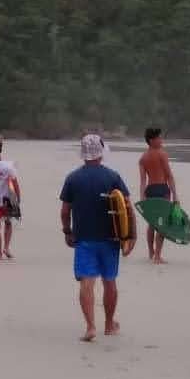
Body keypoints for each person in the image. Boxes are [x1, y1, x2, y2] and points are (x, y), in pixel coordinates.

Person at [59, 134, 136, 341]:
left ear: (83, 155)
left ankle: (91, 327)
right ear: (101, 154)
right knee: (109, 281)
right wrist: (131, 237)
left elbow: (65, 211)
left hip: (84, 239)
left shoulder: (73, 178)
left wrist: (67, 231)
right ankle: (109, 324)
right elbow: (127, 208)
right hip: (110, 240)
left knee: (87, 282)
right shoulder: (112, 177)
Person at [139, 126, 179, 264]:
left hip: (150, 191)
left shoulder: (143, 158)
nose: (161, 140)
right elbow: (169, 176)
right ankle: (157, 256)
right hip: (162, 190)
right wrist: (176, 196)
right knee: (162, 224)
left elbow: (143, 181)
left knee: (152, 223)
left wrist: (142, 197)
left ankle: (151, 252)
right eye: (159, 137)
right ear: (151, 140)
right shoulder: (162, 154)